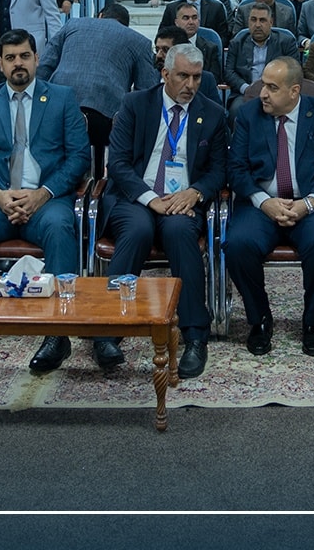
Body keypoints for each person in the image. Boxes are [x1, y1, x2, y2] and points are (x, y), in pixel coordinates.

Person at [0, 29, 90, 374]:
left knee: (60, 227)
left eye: (24, 56)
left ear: (36, 58)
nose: (18, 63)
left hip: (47, 200)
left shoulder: (62, 97)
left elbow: (79, 158)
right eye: (10, 58)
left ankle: (57, 335)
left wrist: (42, 193)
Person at [99, 44, 229, 378]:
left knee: (180, 232)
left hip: (183, 201)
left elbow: (219, 170)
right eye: (183, 76)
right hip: (136, 197)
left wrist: (195, 192)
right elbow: (118, 163)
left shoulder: (212, 113)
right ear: (165, 74)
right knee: (138, 230)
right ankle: (107, 331)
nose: (191, 85)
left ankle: (195, 336)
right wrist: (150, 198)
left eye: (197, 77)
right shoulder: (136, 104)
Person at [225, 56, 314, 357]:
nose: (263, 94)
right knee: (237, 245)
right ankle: (259, 319)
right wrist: (264, 201)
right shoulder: (248, 115)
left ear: (294, 91)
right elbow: (236, 169)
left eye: (272, 87)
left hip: (309, 205)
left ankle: (312, 320)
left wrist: (309, 203)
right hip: (261, 205)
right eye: (263, 85)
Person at [36, 2, 159, 159]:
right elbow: (146, 91)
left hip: (58, 103)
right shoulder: (140, 41)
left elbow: (44, 66)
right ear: (126, 25)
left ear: (100, 15)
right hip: (105, 112)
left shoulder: (72, 24)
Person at [224, 0, 300, 97]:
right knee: (237, 106)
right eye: (253, 20)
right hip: (244, 94)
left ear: (271, 22)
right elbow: (229, 72)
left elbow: (294, 72)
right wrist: (246, 89)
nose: (257, 25)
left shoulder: (286, 43)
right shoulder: (237, 43)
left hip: (277, 94)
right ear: (248, 22)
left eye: (262, 20)